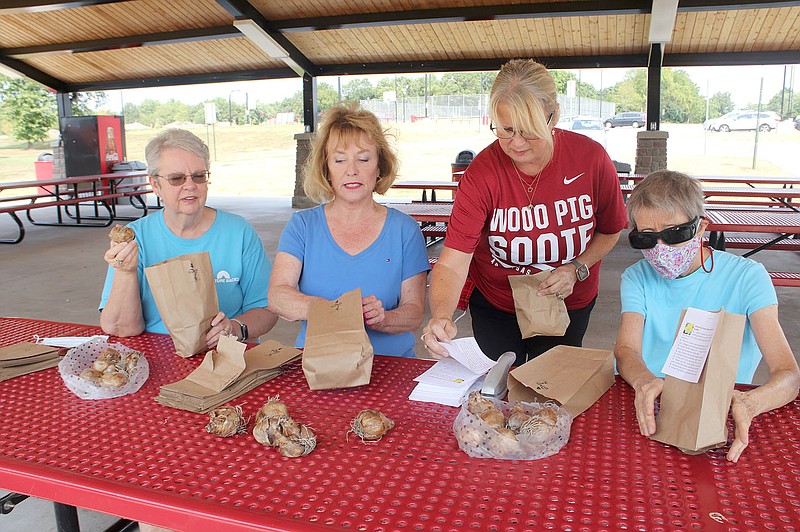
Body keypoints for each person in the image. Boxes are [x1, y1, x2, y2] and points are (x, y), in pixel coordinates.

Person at [421, 59, 628, 366]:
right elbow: (453, 262)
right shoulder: (482, 174)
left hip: (568, 302)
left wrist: (578, 268)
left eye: (529, 131)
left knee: (552, 389)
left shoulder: (591, 159)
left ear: (553, 115)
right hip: (497, 304)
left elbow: (611, 229)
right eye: (505, 130)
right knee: (497, 390)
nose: (516, 144)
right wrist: (440, 316)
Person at [614, 170, 800, 463]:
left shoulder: (748, 278)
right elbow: (627, 350)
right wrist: (645, 383)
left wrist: (751, 403)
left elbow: (788, 375)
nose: (661, 250)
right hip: (650, 410)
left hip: (720, 416)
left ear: (701, 228)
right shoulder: (636, 278)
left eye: (675, 234)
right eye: (645, 239)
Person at [268, 102, 429, 357]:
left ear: (379, 166)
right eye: (339, 159)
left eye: (363, 159)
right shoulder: (302, 226)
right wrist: (334, 310)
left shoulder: (405, 230)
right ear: (326, 168)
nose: (351, 170)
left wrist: (383, 318)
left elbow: (414, 312)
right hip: (316, 365)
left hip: (391, 366)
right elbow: (278, 296)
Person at [99, 128, 277, 350]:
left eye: (199, 176)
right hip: (156, 356)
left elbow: (267, 308)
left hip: (225, 356)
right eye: (176, 178)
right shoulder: (136, 237)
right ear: (155, 185)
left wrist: (235, 328)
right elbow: (121, 328)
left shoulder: (238, 231)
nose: (190, 185)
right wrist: (125, 272)